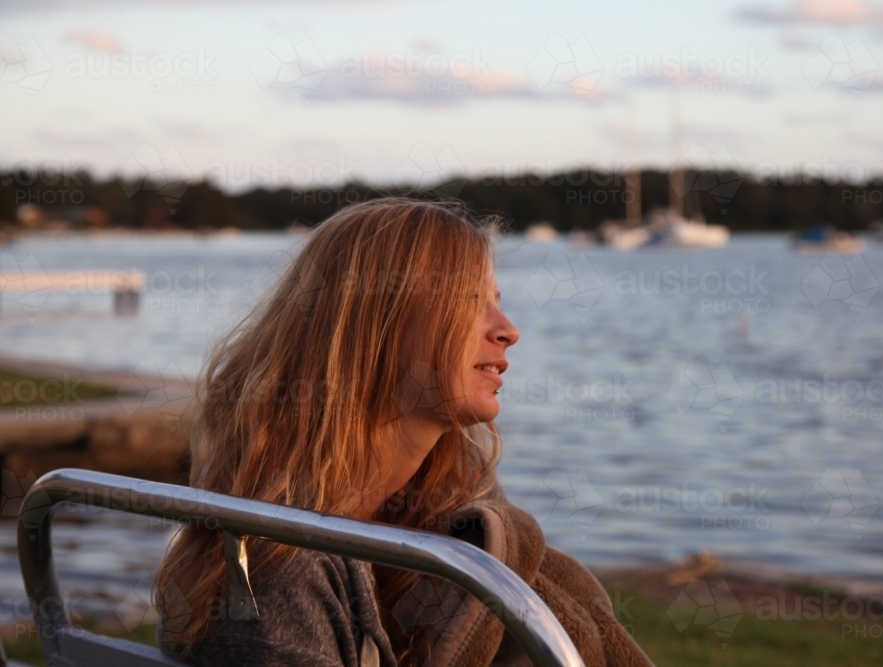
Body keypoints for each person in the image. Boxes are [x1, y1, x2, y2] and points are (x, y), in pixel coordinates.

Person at [156, 198, 652, 667]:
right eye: (468, 300)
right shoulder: (281, 561)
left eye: (497, 301)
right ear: (374, 327)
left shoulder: (459, 510)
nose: (508, 329)